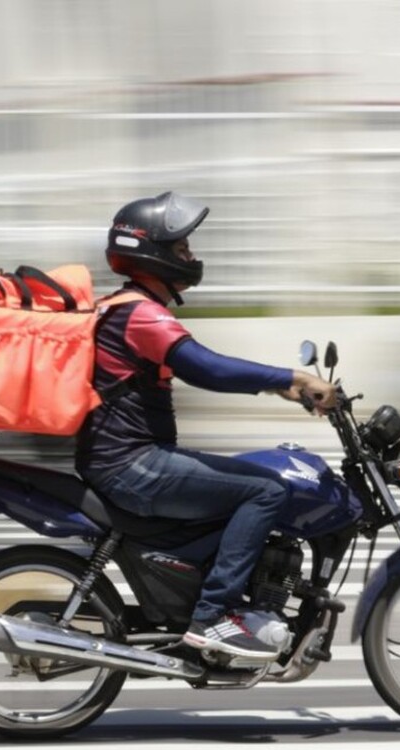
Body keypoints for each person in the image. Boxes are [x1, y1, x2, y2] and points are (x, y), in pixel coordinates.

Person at [75, 191, 337, 661]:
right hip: (131, 464)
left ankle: (207, 596)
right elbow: (207, 369)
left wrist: (281, 387)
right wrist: (291, 377)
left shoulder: (126, 307)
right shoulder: (141, 314)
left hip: (124, 459)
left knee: (240, 486)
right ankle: (213, 617)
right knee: (266, 491)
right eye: (182, 249)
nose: (191, 258)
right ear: (152, 252)